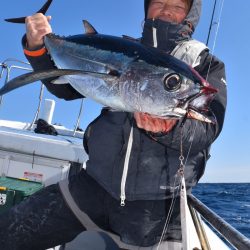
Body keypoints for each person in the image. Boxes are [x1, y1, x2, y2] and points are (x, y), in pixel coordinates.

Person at [0, 0, 227, 249]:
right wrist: (37, 47)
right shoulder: (124, 46)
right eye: (159, 2)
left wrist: (170, 130)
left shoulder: (207, 65)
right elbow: (63, 87)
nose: (166, 10)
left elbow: (209, 127)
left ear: (190, 15)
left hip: (153, 208)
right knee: (7, 233)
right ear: (146, 8)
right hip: (92, 185)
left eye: (177, 5)